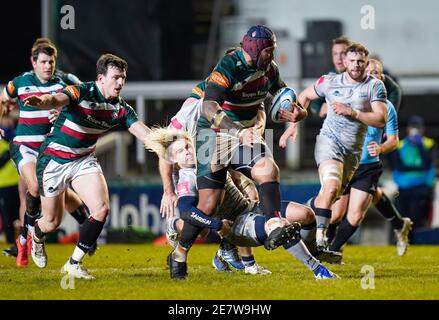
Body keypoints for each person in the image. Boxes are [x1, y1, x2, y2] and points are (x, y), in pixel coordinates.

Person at [167, 25, 307, 279]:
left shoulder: (269, 70)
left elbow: (285, 98)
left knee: (267, 168)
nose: (272, 55)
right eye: (269, 50)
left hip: (245, 135)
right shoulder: (229, 66)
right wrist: (237, 130)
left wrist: (298, 114)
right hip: (213, 136)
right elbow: (209, 107)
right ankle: (179, 253)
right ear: (256, 50)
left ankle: (274, 223)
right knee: (208, 204)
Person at [145, 127, 339, 279]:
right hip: (236, 225)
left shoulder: (209, 157)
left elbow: (236, 169)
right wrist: (217, 225)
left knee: (306, 214)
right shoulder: (187, 179)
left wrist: (247, 184)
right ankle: (319, 271)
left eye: (188, 146)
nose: (187, 152)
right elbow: (187, 211)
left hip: (250, 207)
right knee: (282, 228)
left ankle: (314, 250)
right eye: (180, 151)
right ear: (173, 158)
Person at [23, 53, 151, 279]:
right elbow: (57, 99)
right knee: (51, 222)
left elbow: (143, 133)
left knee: (101, 208)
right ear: (101, 78)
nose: (120, 82)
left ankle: (74, 264)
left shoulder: (121, 108)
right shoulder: (81, 91)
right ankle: (37, 234)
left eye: (123, 78)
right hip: (54, 160)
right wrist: (44, 101)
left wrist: (167, 144)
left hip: (83, 160)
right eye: (116, 77)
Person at [0, 39, 94, 267]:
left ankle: (31, 236)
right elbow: (3, 99)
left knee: (57, 197)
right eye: (42, 61)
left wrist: (64, 111)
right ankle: (25, 238)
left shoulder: (64, 82)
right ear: (33, 62)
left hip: (51, 149)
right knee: (33, 187)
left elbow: (84, 101)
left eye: (50, 61)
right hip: (24, 146)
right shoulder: (20, 83)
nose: (47, 66)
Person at [294, 42, 388, 251]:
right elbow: (305, 96)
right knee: (333, 187)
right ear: (344, 62)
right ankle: (320, 242)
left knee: (332, 203)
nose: (356, 65)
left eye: (360, 62)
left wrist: (353, 112)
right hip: (329, 142)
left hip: (352, 152)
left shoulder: (374, 86)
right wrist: (294, 124)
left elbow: (380, 119)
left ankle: (300, 217)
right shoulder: (329, 82)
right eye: (352, 61)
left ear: (365, 63)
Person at [161, 81, 262, 272]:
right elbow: (165, 151)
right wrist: (168, 190)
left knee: (247, 200)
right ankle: (174, 226)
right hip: (189, 171)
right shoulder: (191, 110)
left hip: (215, 162)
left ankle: (234, 255)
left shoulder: (236, 103)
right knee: (202, 227)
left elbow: (231, 141)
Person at [328, 59, 412, 257]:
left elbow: (394, 140)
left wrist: (382, 147)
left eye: (378, 73)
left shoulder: (387, 107)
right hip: (346, 164)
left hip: (368, 167)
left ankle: (331, 252)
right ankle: (400, 224)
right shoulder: (348, 99)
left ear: (382, 78)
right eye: (370, 72)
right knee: (336, 214)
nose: (374, 76)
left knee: (355, 214)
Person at [389, 115, 436, 233]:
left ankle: (415, 241)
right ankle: (401, 240)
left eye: (418, 128)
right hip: (403, 187)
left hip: (421, 187)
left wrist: (419, 145)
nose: (415, 131)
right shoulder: (400, 144)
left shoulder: (428, 144)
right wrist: (416, 168)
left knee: (417, 217)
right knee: (401, 216)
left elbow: (426, 164)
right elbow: (398, 166)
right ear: (408, 129)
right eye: (413, 127)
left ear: (422, 130)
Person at [308, 36, 352, 119]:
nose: (338, 58)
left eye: (342, 53)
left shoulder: (360, 77)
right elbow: (314, 104)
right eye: (335, 54)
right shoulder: (327, 78)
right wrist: (320, 109)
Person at [0, 115, 20, 256]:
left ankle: (23, 244)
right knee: (8, 217)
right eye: (5, 120)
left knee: (22, 214)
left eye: (10, 120)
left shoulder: (15, 139)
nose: (8, 123)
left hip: (19, 183)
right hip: (3, 184)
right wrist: (7, 155)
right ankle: (11, 244)